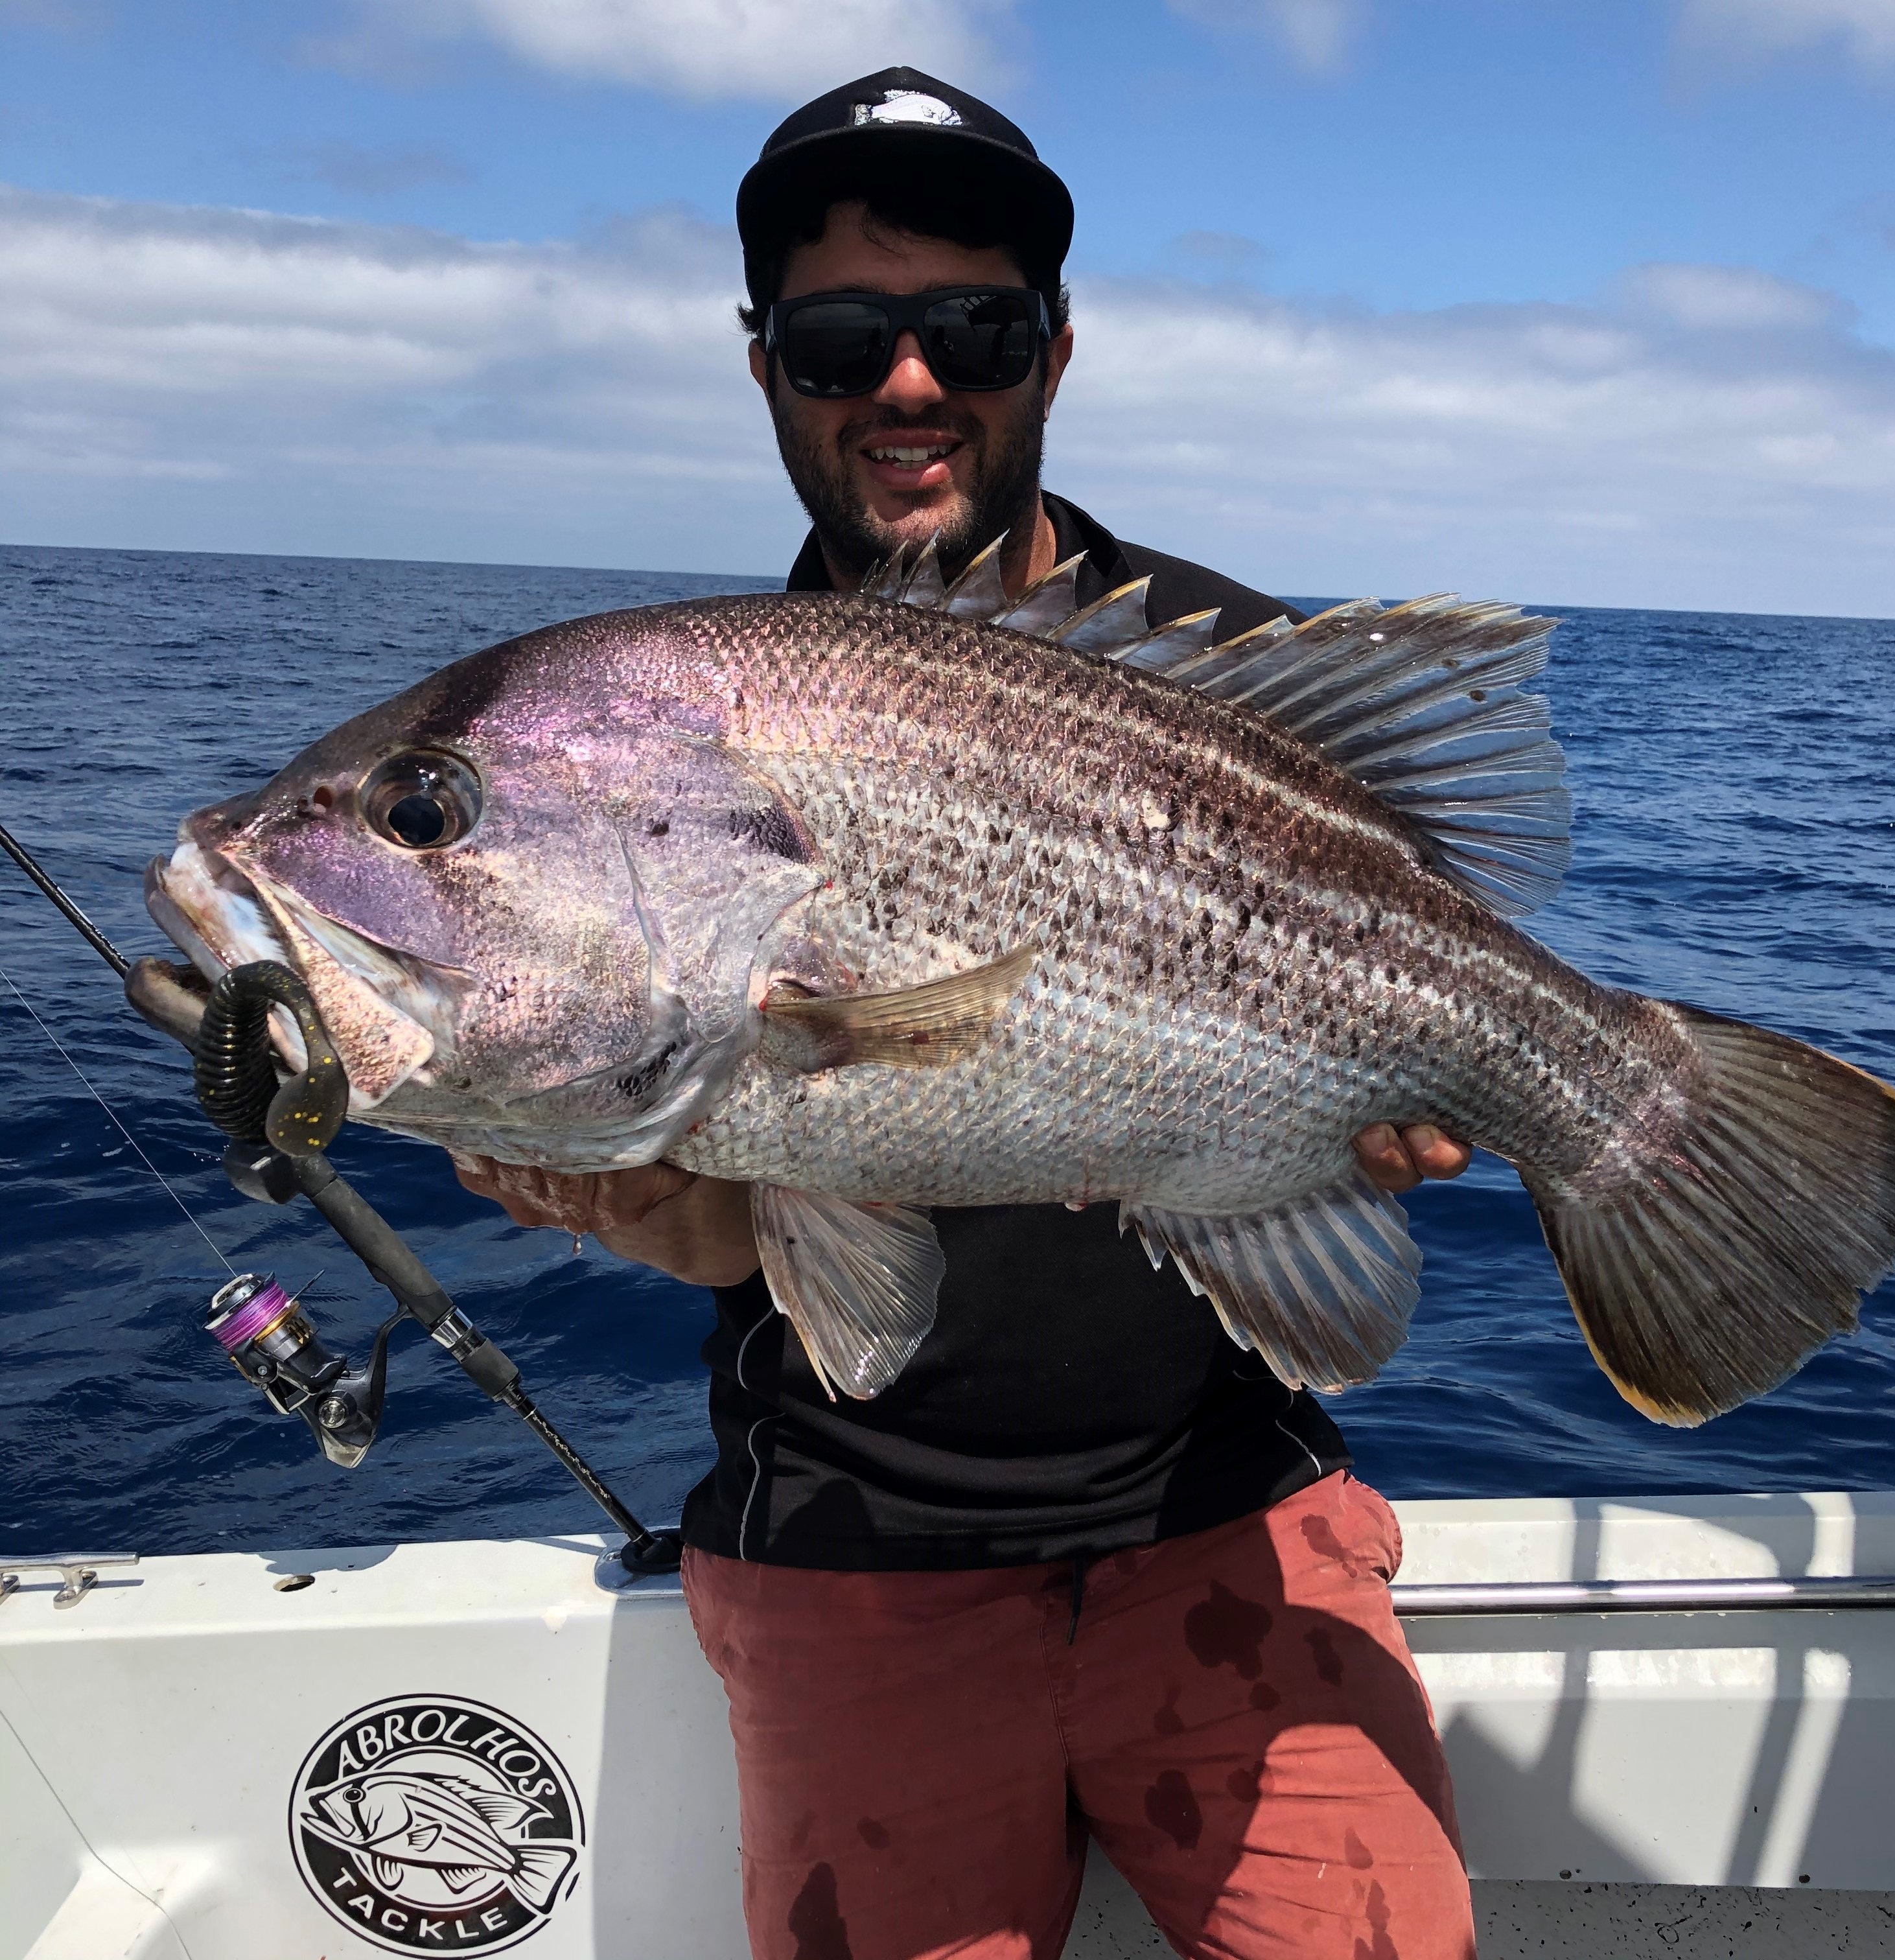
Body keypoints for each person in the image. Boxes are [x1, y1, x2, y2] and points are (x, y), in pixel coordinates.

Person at [458, 68, 1478, 1960]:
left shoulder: (1227, 668)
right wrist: (609, 1167)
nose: (910, 385)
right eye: (846, 337)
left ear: (1054, 353)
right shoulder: (679, 735)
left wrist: (1401, 1103)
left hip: (1232, 1512)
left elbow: (1386, 1037)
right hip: (853, 1554)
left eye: (973, 329)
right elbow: (732, 1230)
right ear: (766, 363)